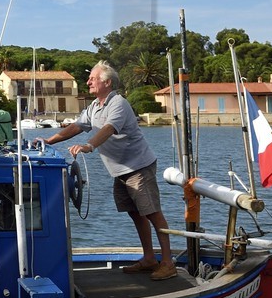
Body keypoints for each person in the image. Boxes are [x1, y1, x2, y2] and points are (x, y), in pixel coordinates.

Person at [42, 60, 176, 280]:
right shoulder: (94, 106)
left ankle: (168, 263)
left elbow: (108, 128)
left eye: (92, 79)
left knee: (152, 212)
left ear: (107, 82)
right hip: (120, 170)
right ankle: (150, 258)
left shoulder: (118, 104)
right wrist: (48, 141)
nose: (88, 82)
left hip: (138, 166)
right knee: (135, 213)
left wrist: (89, 145)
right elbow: (76, 127)